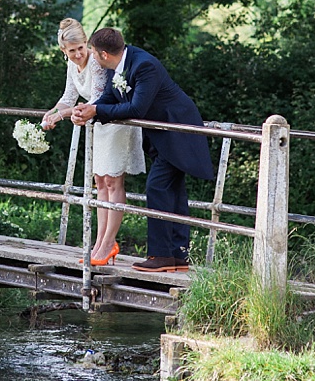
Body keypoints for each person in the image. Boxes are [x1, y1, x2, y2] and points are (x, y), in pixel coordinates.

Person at [71, 28, 213, 272]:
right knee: (173, 191)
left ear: (104, 54)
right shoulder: (117, 65)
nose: (91, 56)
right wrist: (89, 111)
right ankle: (178, 256)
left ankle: (160, 256)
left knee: (157, 186)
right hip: (161, 137)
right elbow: (109, 97)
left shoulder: (144, 65)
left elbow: (136, 108)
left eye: (93, 52)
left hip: (177, 130)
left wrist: (96, 112)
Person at [42, 18, 145, 266]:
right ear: (63, 51)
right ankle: (99, 243)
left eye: (81, 48)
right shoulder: (71, 65)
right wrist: (50, 113)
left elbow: (99, 98)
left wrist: (63, 115)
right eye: (72, 50)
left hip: (113, 120)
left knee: (112, 179)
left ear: (87, 43)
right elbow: (68, 97)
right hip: (96, 124)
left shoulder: (96, 63)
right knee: (100, 181)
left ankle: (109, 242)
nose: (78, 54)